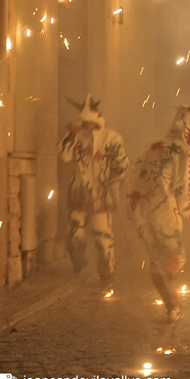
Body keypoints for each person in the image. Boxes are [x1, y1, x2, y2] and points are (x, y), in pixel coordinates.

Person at [127, 105, 190, 321]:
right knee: (176, 257)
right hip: (163, 213)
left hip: (139, 210)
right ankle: (173, 303)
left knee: (156, 259)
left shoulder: (151, 145)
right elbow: (183, 197)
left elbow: (134, 177)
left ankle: (172, 307)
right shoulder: (185, 152)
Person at [59, 94, 129, 292]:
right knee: (74, 234)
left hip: (102, 194)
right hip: (79, 192)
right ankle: (79, 264)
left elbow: (122, 164)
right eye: (84, 123)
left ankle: (107, 277)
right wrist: (70, 132)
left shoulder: (112, 138)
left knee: (102, 237)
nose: (88, 126)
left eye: (90, 122)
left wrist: (116, 183)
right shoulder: (75, 137)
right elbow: (64, 155)